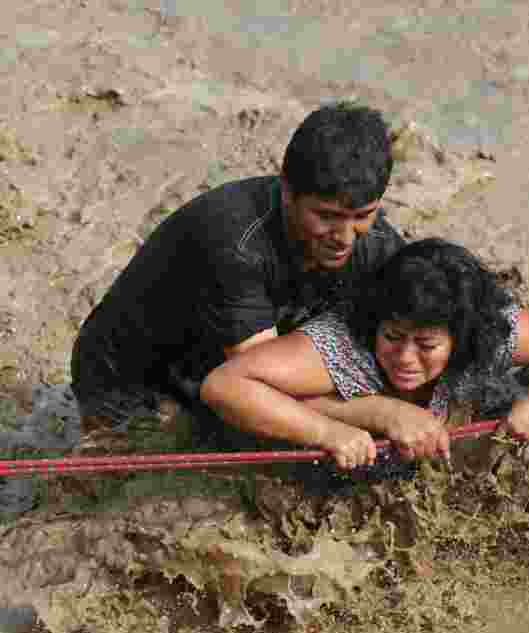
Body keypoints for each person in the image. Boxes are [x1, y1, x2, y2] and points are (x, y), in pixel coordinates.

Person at [71, 103, 405, 438]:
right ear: (287, 191)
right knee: (126, 474)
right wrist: (382, 413)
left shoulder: (376, 244)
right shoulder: (235, 244)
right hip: (126, 374)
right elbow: (259, 388)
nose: (345, 238)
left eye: (362, 216)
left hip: (216, 364)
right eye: (327, 217)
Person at [199, 238, 529, 469]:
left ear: (461, 339)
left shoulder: (488, 331)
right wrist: (341, 426)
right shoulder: (343, 343)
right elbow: (224, 385)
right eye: (394, 337)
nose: (405, 358)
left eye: (426, 345)